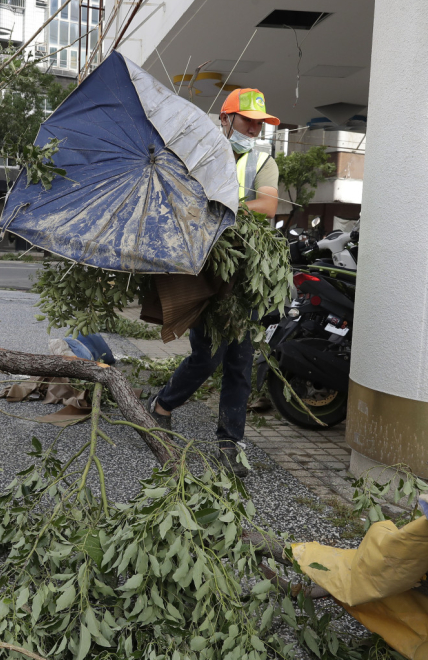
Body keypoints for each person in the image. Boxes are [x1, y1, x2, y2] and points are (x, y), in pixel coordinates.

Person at [147, 88, 280, 477]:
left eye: (259, 123)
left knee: (240, 360)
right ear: (225, 119)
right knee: (207, 356)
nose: (254, 129)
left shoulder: (263, 162)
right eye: (247, 120)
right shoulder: (198, 156)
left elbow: (268, 206)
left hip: (245, 271)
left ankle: (230, 441)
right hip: (205, 268)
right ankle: (162, 405)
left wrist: (219, 210)